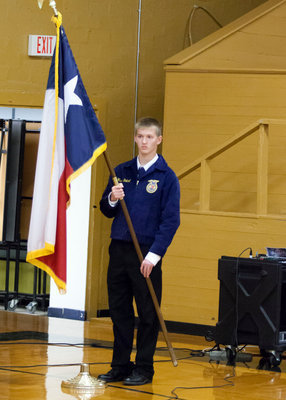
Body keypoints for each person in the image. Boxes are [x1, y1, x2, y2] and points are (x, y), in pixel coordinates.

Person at [98, 117, 180, 386]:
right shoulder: (121, 171)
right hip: (119, 250)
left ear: (159, 140)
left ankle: (144, 368)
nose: (144, 142)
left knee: (147, 313)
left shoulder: (166, 178)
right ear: (135, 138)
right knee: (119, 312)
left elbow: (170, 221)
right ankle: (120, 365)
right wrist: (112, 197)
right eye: (140, 136)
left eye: (149, 137)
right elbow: (106, 210)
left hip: (145, 253)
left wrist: (154, 256)